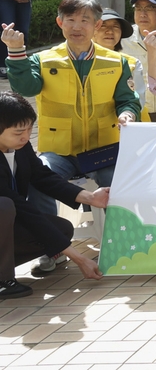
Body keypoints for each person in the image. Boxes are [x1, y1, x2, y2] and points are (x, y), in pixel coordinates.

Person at [3, 0, 140, 223]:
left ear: (96, 25)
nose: (77, 26)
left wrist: (127, 113)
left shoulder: (117, 62)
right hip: (59, 152)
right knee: (39, 179)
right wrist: (16, 52)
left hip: (103, 150)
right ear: (60, 22)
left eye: (85, 20)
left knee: (122, 182)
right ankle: (50, 248)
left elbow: (128, 99)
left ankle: (122, 246)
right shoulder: (43, 60)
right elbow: (25, 87)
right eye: (70, 19)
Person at [0, 92, 108, 297]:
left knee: (63, 229)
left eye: (30, 129)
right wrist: (79, 258)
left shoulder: (20, 147)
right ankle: (3, 280)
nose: (26, 136)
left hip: (8, 222)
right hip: (7, 212)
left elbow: (41, 176)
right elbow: (22, 209)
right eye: (18, 132)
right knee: (4, 205)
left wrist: (88, 197)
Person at [93, 9, 149, 122]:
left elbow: (139, 100)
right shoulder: (81, 61)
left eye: (115, 27)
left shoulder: (132, 63)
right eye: (103, 26)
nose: (110, 31)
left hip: (126, 126)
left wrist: (128, 115)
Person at [124, 0, 156, 122]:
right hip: (135, 112)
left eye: (149, 8)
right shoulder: (123, 38)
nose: (142, 14)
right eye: (138, 8)